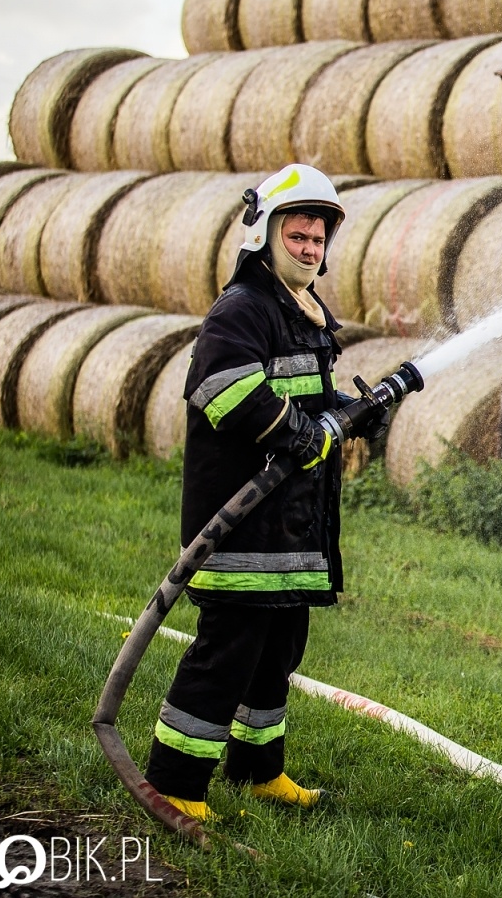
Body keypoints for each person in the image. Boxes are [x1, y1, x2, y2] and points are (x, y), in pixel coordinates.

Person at [145, 164, 385, 820]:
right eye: (298, 235)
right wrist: (298, 432)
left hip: (289, 530)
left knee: (277, 655)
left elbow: (302, 397)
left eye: (317, 239)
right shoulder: (243, 308)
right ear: (265, 233)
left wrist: (350, 410)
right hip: (239, 528)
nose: (310, 248)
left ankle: (258, 770)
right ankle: (174, 783)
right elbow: (222, 390)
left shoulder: (302, 315)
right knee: (227, 657)